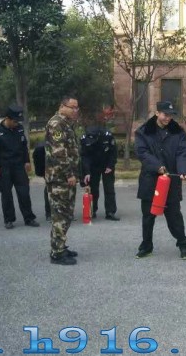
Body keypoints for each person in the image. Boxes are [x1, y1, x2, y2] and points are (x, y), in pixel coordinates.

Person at [134, 100, 186, 260]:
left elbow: (183, 153)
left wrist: (183, 171)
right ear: (157, 113)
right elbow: (142, 152)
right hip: (150, 180)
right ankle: (146, 246)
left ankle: (183, 245)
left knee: (174, 216)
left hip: (171, 181)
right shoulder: (143, 131)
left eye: (171, 115)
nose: (168, 118)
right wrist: (157, 166)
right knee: (148, 216)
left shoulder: (178, 132)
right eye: (165, 115)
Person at [0, 105, 39, 229]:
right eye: (15, 121)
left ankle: (29, 218)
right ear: (7, 118)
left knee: (24, 193)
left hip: (18, 165)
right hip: (4, 166)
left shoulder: (19, 129)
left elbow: (24, 146)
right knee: (6, 194)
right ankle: (9, 219)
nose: (16, 123)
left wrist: (27, 161)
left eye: (18, 121)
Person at [45, 96, 81, 265]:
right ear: (62, 106)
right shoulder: (56, 124)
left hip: (66, 178)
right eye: (72, 107)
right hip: (59, 178)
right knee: (60, 214)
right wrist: (69, 174)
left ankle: (61, 246)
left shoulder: (66, 123)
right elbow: (59, 152)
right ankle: (57, 253)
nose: (75, 110)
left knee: (66, 214)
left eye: (77, 108)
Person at [81, 126, 119, 221]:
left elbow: (113, 152)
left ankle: (110, 212)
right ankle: (92, 210)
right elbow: (84, 157)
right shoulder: (84, 139)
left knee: (109, 188)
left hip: (106, 163)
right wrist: (87, 172)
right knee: (93, 188)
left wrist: (110, 166)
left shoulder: (107, 136)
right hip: (93, 165)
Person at [32, 141, 52, 221]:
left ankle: (64, 212)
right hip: (46, 165)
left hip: (61, 164)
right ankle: (49, 213)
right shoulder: (41, 149)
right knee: (49, 187)